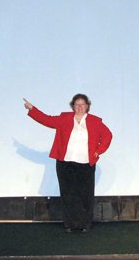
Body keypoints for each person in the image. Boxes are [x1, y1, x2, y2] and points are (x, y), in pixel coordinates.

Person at [23, 94, 113, 233]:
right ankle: (70, 224)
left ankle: (85, 224)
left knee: (85, 194)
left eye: (83, 104)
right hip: (65, 162)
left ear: (87, 106)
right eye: (77, 104)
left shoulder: (95, 121)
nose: (80, 107)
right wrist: (32, 109)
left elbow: (107, 136)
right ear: (73, 106)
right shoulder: (64, 118)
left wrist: (98, 151)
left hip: (86, 163)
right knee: (67, 193)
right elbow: (46, 120)